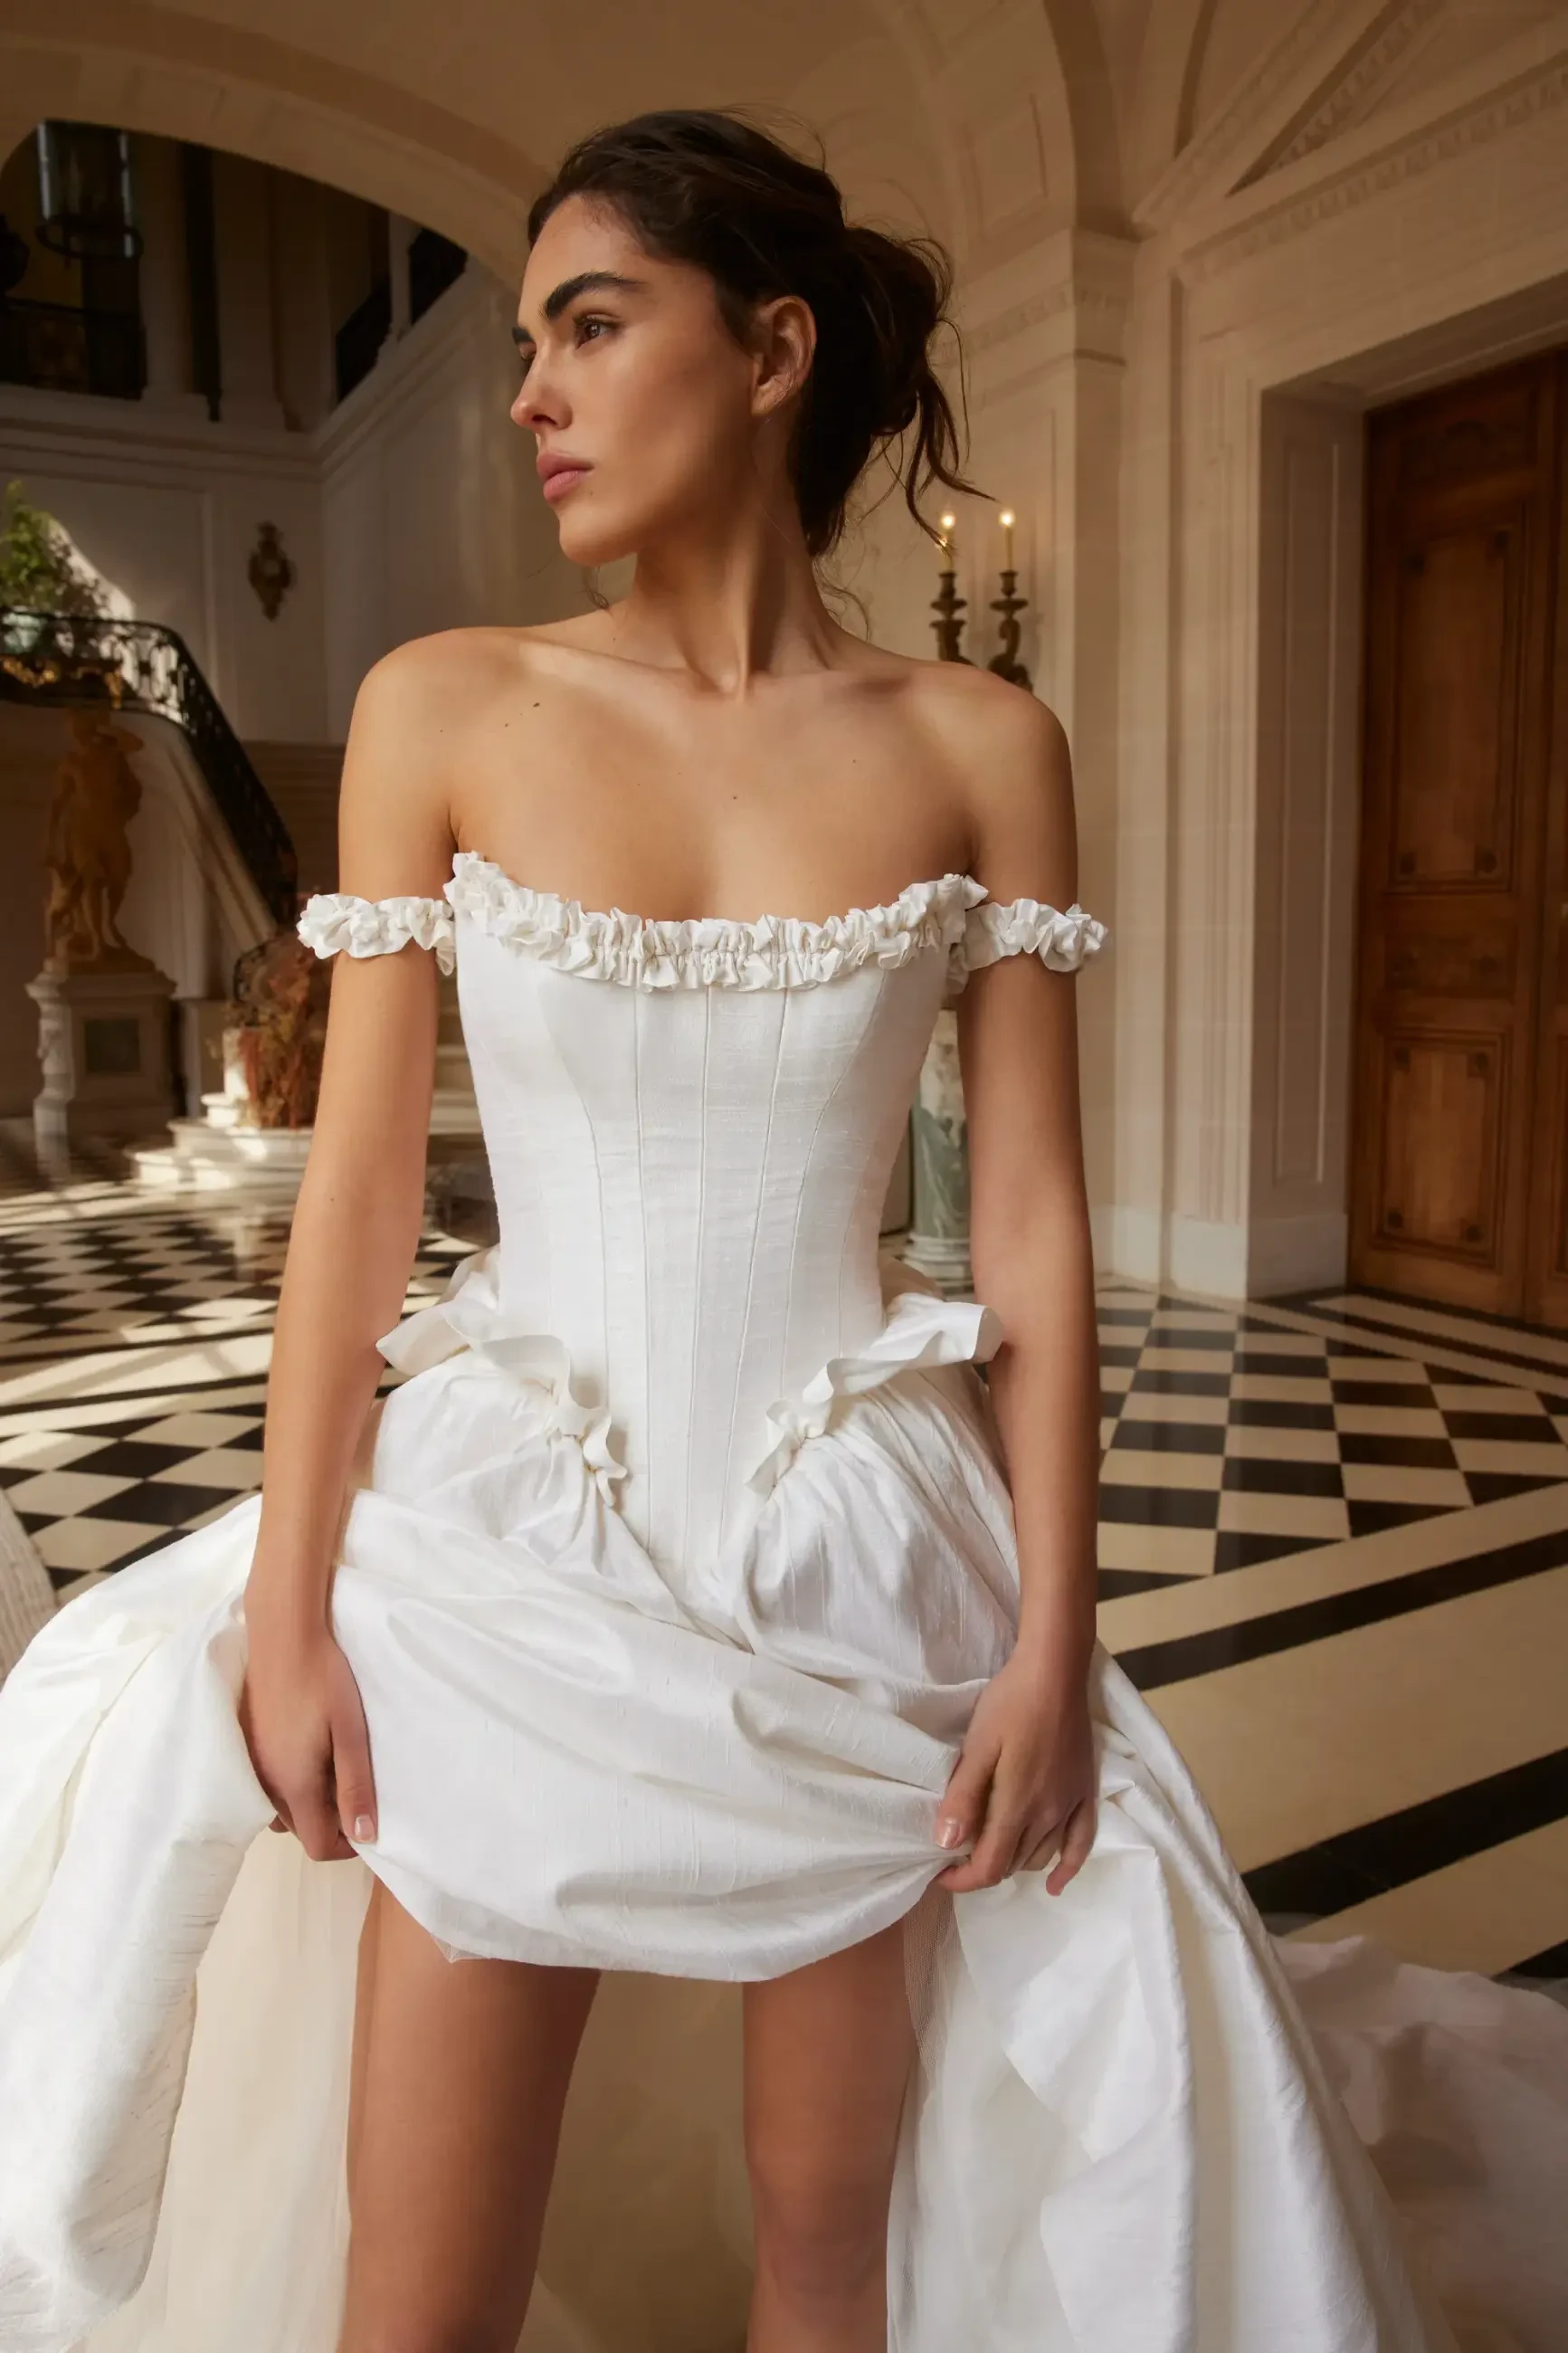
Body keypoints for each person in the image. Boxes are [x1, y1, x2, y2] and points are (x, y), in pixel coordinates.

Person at [0, 105, 1563, 2353]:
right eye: (527, 336)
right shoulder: (441, 706)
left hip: (857, 1572)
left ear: (768, 348)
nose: (532, 388)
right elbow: (352, 1198)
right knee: (414, 2289)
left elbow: (1025, 1219)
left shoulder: (976, 739)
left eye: (591, 322)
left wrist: (1050, 1638)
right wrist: (293, 1600)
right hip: (504, 1564)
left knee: (833, 2245)